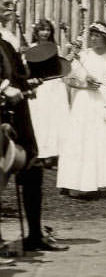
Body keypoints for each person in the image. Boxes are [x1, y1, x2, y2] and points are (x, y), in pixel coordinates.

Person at [0, 0, 67, 253]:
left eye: (10, 3)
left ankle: (34, 235)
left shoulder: (8, 36)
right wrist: (5, 88)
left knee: (32, 168)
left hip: (19, 112)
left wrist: (30, 81)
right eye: (5, 4)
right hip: (2, 112)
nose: (10, 8)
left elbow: (15, 72)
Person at [57, 22, 106, 197]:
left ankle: (104, 180)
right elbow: (68, 80)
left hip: (105, 103)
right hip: (85, 102)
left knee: (104, 139)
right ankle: (76, 181)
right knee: (82, 139)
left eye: (97, 35)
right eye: (92, 35)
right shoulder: (83, 56)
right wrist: (85, 83)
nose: (93, 38)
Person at [26, 19, 71, 167]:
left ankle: (54, 153)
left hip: (55, 87)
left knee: (56, 120)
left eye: (48, 30)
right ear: (36, 32)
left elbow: (60, 66)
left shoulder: (55, 47)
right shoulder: (30, 48)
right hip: (41, 87)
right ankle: (40, 153)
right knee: (41, 120)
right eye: (42, 30)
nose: (45, 33)